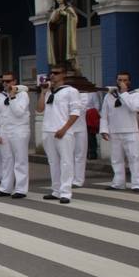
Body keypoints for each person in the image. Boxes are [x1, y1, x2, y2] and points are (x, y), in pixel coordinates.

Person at [37, 66, 81, 204]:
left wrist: (64, 128)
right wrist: (43, 93)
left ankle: (66, 192)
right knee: (53, 162)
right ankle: (56, 190)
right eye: (51, 74)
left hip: (63, 131)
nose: (53, 76)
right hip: (48, 130)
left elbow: (75, 112)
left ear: (63, 75)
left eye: (56, 73)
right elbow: (39, 109)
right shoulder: (49, 92)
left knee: (66, 161)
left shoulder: (71, 91)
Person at [100, 73, 139, 191]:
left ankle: (137, 184)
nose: (122, 82)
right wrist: (104, 129)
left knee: (134, 158)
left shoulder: (135, 95)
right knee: (116, 159)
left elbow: (134, 108)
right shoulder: (109, 96)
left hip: (131, 131)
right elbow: (104, 114)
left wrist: (124, 93)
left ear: (129, 82)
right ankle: (118, 183)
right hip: (114, 131)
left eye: (125, 80)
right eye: (120, 80)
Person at [0, 72, 30, 199]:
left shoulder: (22, 94)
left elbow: (19, 112)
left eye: (8, 81)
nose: (5, 84)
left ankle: (21, 189)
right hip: (4, 131)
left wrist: (12, 96)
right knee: (7, 160)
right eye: (4, 81)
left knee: (20, 160)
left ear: (14, 81)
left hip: (19, 130)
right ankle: (5, 188)